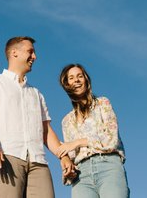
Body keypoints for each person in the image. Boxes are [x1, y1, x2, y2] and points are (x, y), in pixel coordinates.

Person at [0, 36, 77, 198]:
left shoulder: (36, 94)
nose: (34, 57)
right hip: (6, 156)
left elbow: (46, 131)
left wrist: (63, 156)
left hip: (38, 162)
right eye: (30, 52)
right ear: (14, 53)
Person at [55, 64, 129, 198]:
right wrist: (69, 169)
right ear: (66, 84)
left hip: (108, 166)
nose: (76, 80)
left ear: (86, 80)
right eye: (71, 78)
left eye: (79, 76)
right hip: (81, 177)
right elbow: (71, 155)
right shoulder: (66, 121)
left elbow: (111, 139)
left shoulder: (103, 104)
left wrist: (78, 142)